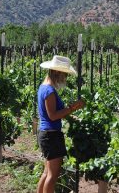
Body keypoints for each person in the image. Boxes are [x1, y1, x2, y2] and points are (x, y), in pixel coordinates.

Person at [36, 55, 85, 193]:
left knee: (47, 173)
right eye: (64, 74)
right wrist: (72, 107)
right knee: (53, 175)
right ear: (57, 72)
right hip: (51, 136)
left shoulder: (43, 87)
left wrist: (70, 115)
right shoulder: (49, 91)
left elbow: (52, 114)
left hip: (46, 134)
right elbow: (53, 116)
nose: (65, 78)